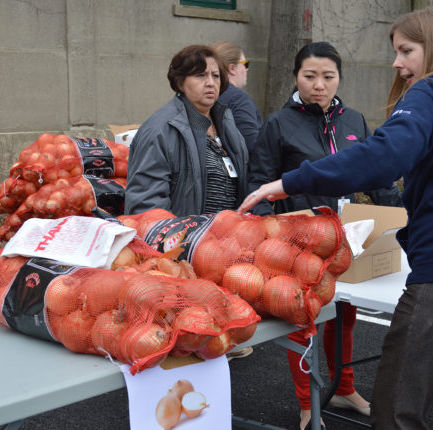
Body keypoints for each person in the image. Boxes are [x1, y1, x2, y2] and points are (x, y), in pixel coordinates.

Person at [239, 7, 433, 430]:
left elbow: (383, 159)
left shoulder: (432, 91)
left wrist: (286, 183)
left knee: (395, 415)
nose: (397, 62)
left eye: (406, 51)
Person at [247, 41, 402, 430]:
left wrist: (401, 215)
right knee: (304, 321)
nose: (319, 84)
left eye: (328, 76)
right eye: (310, 76)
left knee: (344, 316)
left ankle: (345, 388)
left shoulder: (354, 120)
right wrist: (268, 241)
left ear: (339, 79)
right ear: (296, 77)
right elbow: (259, 183)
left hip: (346, 238)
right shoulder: (278, 124)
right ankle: (307, 404)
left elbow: (377, 174)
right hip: (295, 244)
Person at [125, 44, 249, 216]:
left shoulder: (227, 125)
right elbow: (146, 207)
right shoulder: (159, 130)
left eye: (216, 76)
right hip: (184, 240)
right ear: (180, 82)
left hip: (228, 238)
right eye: (200, 75)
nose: (210, 83)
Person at [211, 40, 263, 153]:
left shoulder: (208, 95)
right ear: (232, 68)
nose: (247, 69)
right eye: (245, 64)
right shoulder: (238, 99)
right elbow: (253, 144)